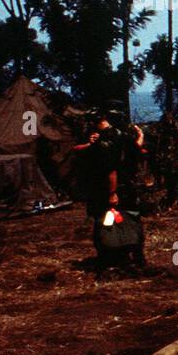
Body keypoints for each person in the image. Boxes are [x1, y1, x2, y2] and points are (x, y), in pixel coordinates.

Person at [72, 107, 148, 272]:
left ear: (93, 122)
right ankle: (136, 255)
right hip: (127, 186)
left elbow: (110, 169)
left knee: (104, 222)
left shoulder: (104, 140)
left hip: (107, 188)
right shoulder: (122, 136)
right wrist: (141, 136)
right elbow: (137, 147)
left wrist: (112, 193)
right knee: (131, 219)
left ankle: (109, 258)